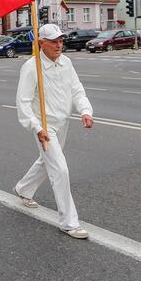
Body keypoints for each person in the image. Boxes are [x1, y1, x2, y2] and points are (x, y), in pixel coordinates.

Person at [13, 23, 94, 239]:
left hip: (63, 121)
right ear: (42, 43)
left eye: (61, 41)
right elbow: (23, 102)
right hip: (44, 126)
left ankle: (23, 189)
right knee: (60, 170)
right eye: (54, 41)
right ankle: (69, 222)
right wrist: (36, 127)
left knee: (46, 161)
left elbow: (77, 90)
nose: (59, 45)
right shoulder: (32, 67)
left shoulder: (66, 62)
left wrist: (85, 110)